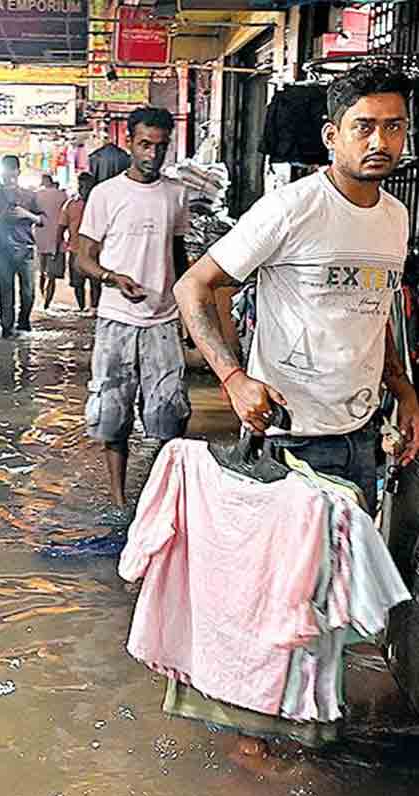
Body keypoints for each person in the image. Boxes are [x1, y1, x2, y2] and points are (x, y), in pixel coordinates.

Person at [175, 62, 419, 519]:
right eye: (363, 127)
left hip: (363, 433)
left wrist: (401, 387)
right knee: (290, 585)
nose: (379, 142)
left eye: (394, 127)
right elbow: (193, 285)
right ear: (332, 136)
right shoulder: (291, 209)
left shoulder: (395, 216)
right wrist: (233, 379)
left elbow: (373, 307)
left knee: (344, 581)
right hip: (291, 436)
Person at [77, 107, 190, 528]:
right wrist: (111, 277)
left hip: (163, 319)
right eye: (145, 144)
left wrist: (189, 312)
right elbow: (82, 257)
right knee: (112, 412)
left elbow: (178, 255)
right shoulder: (105, 195)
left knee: (169, 415)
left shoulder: (176, 194)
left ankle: (157, 502)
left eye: (161, 146)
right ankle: (119, 500)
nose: (153, 154)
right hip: (116, 318)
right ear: (129, 142)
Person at [0, 155, 44, 339]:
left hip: (25, 248)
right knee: (5, 289)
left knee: (28, 291)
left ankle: (24, 322)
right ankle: (7, 328)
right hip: (2, 250)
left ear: (18, 172)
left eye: (12, 171)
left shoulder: (30, 195)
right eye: (5, 172)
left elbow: (43, 220)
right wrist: (1, 218)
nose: (8, 176)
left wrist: (26, 214)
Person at [59, 172, 100, 313]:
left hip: (96, 251)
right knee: (78, 283)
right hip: (76, 249)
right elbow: (61, 226)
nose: (85, 189)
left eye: (87, 186)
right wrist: (60, 242)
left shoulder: (99, 204)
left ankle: (94, 307)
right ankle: (82, 307)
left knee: (96, 281)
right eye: (82, 185)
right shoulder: (70, 204)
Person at [34, 173, 68, 309]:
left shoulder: (37, 195)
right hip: (56, 238)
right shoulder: (62, 195)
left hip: (41, 236)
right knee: (52, 275)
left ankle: (43, 297)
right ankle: (47, 303)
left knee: (42, 271)